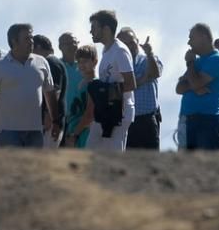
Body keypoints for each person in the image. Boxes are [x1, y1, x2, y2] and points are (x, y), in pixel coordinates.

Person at [0, 24, 60, 148]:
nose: (31, 41)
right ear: (14, 41)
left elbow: (50, 94)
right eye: (27, 38)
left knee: (33, 167)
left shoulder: (42, 62)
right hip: (8, 132)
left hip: (35, 131)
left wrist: (56, 121)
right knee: (10, 167)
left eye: (31, 38)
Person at [87, 10, 136, 151]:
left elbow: (130, 83)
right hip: (105, 110)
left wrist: (105, 91)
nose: (91, 31)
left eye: (94, 27)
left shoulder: (120, 50)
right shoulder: (106, 50)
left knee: (112, 158)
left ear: (106, 29)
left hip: (119, 112)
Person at [175, 23, 219, 150]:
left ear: (203, 37)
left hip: (207, 120)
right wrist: (195, 85)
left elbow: (195, 83)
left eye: (191, 38)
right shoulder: (198, 61)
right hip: (188, 119)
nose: (189, 43)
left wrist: (190, 64)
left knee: (208, 165)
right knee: (185, 165)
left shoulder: (217, 59)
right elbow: (179, 88)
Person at [117, 27, 163, 149]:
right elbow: (119, 88)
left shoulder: (148, 59)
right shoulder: (116, 65)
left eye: (132, 42)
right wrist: (142, 79)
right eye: (125, 44)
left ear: (137, 41)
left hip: (147, 120)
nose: (130, 46)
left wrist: (150, 53)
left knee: (150, 161)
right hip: (126, 122)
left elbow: (155, 73)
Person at [32, 34, 67, 148]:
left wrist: (49, 117)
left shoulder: (51, 63)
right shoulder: (54, 62)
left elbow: (55, 91)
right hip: (52, 121)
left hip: (50, 123)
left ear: (38, 47)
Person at [65, 44, 98, 148]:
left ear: (95, 62)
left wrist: (75, 135)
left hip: (84, 133)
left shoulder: (94, 83)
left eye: (85, 61)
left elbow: (89, 114)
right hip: (73, 129)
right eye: (79, 61)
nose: (81, 65)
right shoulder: (81, 83)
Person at [58, 32, 83, 145]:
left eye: (74, 42)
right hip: (61, 121)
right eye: (67, 43)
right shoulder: (56, 67)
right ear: (60, 47)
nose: (72, 45)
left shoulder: (85, 67)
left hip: (81, 121)